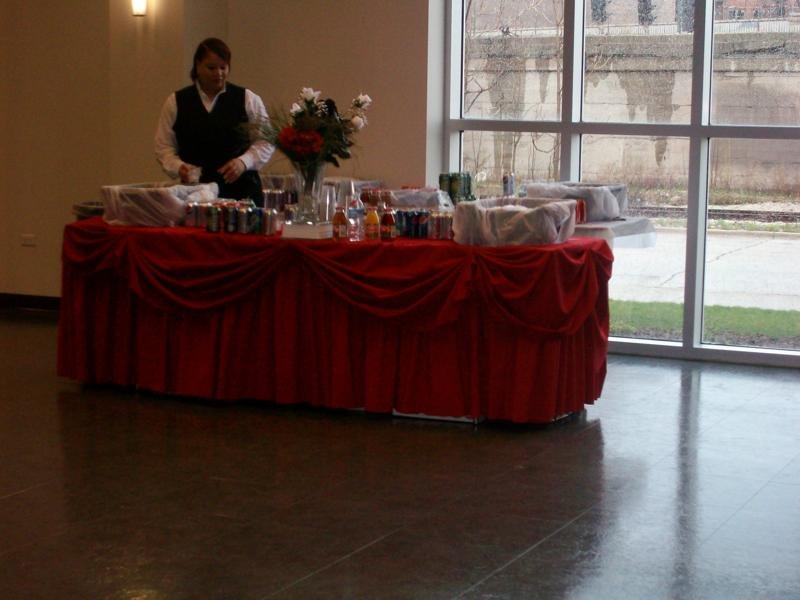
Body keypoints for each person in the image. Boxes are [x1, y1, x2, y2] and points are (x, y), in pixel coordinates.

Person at [155, 38, 273, 206]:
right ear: (197, 66)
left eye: (223, 67)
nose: (218, 73)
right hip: (195, 196)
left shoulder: (247, 99)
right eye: (211, 68)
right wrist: (178, 167)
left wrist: (243, 162)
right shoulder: (176, 102)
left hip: (241, 195)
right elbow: (163, 147)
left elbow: (266, 140)